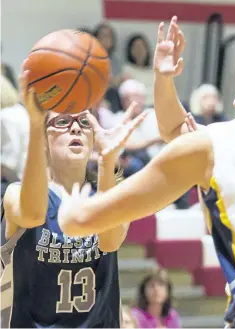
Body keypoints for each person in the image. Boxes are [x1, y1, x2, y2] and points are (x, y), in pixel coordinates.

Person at [57, 19, 235, 328]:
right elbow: (176, 132)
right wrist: (163, 76)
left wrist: (71, 205)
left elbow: (86, 219)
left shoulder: (218, 143)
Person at [0, 66, 145, 328]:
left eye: (84, 122)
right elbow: (33, 215)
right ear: (44, 139)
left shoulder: (113, 196)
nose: (75, 128)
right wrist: (35, 124)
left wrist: (107, 159)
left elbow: (110, 241)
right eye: (63, 122)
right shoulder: (15, 194)